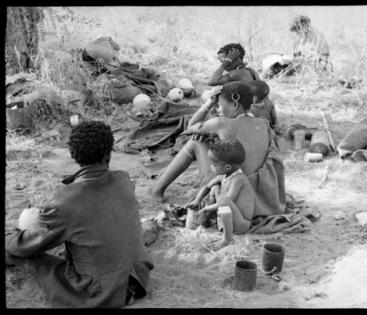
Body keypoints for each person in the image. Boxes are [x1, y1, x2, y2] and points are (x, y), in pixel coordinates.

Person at [5, 121, 154, 308]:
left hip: (104, 293)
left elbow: (26, 245)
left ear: (74, 156)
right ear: (108, 154)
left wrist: (12, 238)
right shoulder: (124, 180)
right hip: (139, 277)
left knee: (31, 257)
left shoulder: (64, 202)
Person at [149, 81, 286, 218]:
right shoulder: (263, 123)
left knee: (196, 141)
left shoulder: (221, 123)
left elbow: (190, 126)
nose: (218, 109)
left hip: (233, 192)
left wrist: (209, 103)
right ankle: (157, 190)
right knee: (211, 145)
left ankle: (157, 191)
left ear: (235, 105)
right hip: (258, 193)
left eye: (220, 105)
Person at [187, 138, 255, 250]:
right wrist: (197, 200)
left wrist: (206, 209)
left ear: (227, 167)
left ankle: (227, 239)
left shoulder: (239, 179)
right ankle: (206, 221)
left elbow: (226, 201)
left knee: (223, 200)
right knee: (214, 188)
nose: (211, 167)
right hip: (227, 216)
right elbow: (207, 187)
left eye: (214, 165)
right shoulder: (223, 176)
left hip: (240, 224)